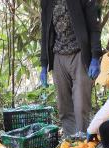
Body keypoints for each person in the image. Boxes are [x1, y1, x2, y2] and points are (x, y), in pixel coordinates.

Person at [40, 0, 103, 135]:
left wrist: (95, 57)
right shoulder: (46, 2)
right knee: (64, 107)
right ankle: (70, 143)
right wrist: (44, 64)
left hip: (80, 54)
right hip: (58, 56)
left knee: (81, 106)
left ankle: (83, 142)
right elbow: (45, 31)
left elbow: (94, 27)